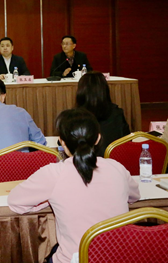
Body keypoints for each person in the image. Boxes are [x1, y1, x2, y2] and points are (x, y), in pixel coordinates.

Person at [8, 108, 140, 263]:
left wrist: (47, 200)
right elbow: (134, 196)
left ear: (62, 142)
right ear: (98, 138)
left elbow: (15, 201)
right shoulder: (116, 167)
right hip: (120, 258)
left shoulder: (54, 173)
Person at [76, 71, 130, 157]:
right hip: (114, 161)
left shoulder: (75, 117)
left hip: (84, 163)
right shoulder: (117, 113)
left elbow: (63, 145)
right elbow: (127, 140)